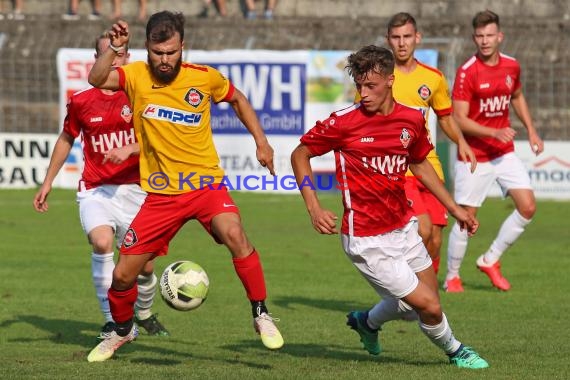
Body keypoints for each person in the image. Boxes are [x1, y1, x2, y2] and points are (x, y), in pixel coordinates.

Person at [85, 11, 284, 362]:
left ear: (183, 48)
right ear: (147, 47)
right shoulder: (134, 76)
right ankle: (121, 331)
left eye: (172, 52)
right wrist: (114, 48)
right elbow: (96, 77)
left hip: (205, 185)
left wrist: (262, 142)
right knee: (122, 275)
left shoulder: (204, 78)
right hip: (161, 196)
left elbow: (238, 99)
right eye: (158, 52)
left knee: (234, 234)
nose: (165, 60)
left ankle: (261, 314)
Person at [291, 45, 489, 369]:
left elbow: (420, 163)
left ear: (390, 81)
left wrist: (454, 208)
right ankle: (457, 351)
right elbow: (300, 154)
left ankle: (366, 323)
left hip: (403, 226)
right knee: (428, 307)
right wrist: (313, 206)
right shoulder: (344, 122)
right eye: (359, 86)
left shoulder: (411, 118)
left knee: (422, 304)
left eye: (370, 86)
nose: (363, 93)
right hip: (366, 239)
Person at [33, 34, 169, 339]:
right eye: (108, 54)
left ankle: (144, 314)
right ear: (97, 59)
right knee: (102, 243)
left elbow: (158, 138)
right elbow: (66, 137)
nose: (114, 60)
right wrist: (48, 182)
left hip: (137, 189)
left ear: (128, 58)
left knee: (144, 267)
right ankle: (112, 321)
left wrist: (131, 149)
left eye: (120, 54)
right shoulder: (81, 100)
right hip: (97, 189)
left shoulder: (141, 95)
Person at [444, 10, 544, 292]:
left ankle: (490, 259)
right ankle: (452, 276)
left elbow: (517, 96)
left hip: (503, 152)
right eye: (479, 36)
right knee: (466, 219)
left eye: (490, 35)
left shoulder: (511, 66)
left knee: (528, 207)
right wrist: (493, 132)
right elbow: (459, 118)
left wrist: (532, 130)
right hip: (474, 155)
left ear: (500, 36)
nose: (485, 41)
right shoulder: (468, 72)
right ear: (474, 37)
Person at [383, 12, 477, 275]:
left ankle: (423, 299)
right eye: (396, 37)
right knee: (421, 229)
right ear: (388, 40)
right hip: (399, 169)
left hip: (429, 166)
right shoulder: (380, 77)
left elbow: (445, 118)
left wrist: (462, 142)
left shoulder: (433, 78)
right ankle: (404, 294)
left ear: (417, 38)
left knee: (435, 239)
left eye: (407, 37)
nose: (402, 43)